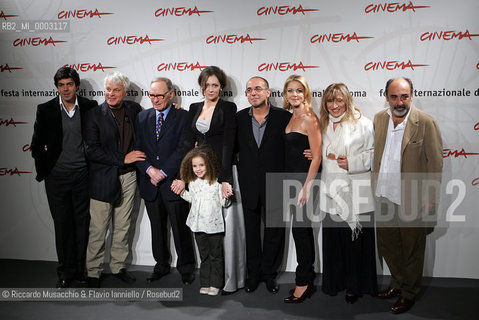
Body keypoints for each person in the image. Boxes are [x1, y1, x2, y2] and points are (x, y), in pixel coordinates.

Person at [373, 77, 443, 314]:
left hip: (412, 198)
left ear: (412, 95)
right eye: (394, 96)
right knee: (388, 244)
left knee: (412, 248)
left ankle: (409, 293)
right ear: (386, 97)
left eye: (404, 96)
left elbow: (434, 164)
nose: (399, 101)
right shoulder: (379, 119)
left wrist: (431, 197)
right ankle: (396, 283)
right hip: (383, 194)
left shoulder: (425, 122)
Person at [172, 65, 243, 294]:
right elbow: (187, 143)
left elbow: (228, 144)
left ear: (221, 87)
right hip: (198, 173)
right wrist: (183, 176)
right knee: (202, 231)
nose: (210, 89)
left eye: (215, 85)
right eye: (207, 85)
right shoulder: (194, 107)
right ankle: (206, 280)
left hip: (219, 172)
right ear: (201, 86)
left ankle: (222, 281)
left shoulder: (228, 108)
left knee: (221, 234)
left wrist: (224, 179)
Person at [31, 66, 98, 288]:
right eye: (61, 85)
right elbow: (36, 146)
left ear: (77, 86)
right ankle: (65, 272)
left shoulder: (90, 107)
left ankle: (81, 270)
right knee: (62, 226)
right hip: (57, 178)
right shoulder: (46, 109)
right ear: (57, 87)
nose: (66, 89)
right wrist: (48, 170)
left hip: (82, 175)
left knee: (82, 224)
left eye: (69, 84)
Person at [83, 72, 145, 288]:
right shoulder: (93, 115)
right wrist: (122, 158)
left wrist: (173, 109)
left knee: (122, 226)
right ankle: (93, 271)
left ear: (125, 92)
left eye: (115, 90)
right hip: (102, 178)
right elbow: (92, 150)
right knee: (98, 228)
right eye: (108, 89)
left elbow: (152, 122)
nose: (110, 93)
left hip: (128, 177)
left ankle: (118, 267)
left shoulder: (134, 110)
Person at [318, 83, 377, 304]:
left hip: (355, 190)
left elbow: (374, 154)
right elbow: (318, 151)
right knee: (334, 241)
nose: (335, 105)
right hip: (330, 190)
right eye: (330, 100)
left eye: (339, 100)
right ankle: (335, 282)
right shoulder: (321, 124)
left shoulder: (363, 123)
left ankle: (355, 286)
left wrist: (352, 162)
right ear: (325, 103)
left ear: (347, 101)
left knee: (356, 243)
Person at [135, 77, 196, 285]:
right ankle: (161, 265)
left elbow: (184, 149)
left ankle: (186, 268)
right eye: (152, 95)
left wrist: (163, 172)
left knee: (180, 228)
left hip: (173, 182)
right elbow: (137, 149)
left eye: (160, 95)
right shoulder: (142, 117)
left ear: (171, 94)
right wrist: (150, 170)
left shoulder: (184, 116)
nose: (156, 99)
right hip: (150, 183)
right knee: (157, 228)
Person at [235, 76, 292, 294]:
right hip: (248, 184)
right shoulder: (239, 118)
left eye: (258, 89)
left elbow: (293, 147)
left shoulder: (283, 117)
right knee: (250, 233)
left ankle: (269, 274)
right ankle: (254, 275)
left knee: (274, 232)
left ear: (268, 92)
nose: (253, 93)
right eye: (249, 90)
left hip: (276, 184)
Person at [281, 75, 322, 303]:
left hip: (304, 183)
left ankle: (304, 282)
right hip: (291, 181)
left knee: (301, 231)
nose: (294, 94)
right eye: (290, 91)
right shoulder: (291, 116)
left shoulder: (309, 118)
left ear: (305, 92)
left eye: (299, 90)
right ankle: (306, 277)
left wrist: (306, 187)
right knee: (300, 231)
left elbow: (316, 158)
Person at [176, 146, 230, 296]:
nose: (198, 169)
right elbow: (192, 200)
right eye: (194, 166)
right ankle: (205, 282)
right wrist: (182, 193)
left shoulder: (217, 182)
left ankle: (216, 283)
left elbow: (223, 203)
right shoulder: (192, 182)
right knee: (204, 256)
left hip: (214, 226)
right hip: (198, 225)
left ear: (209, 163)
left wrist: (227, 197)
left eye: (201, 165)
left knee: (216, 256)